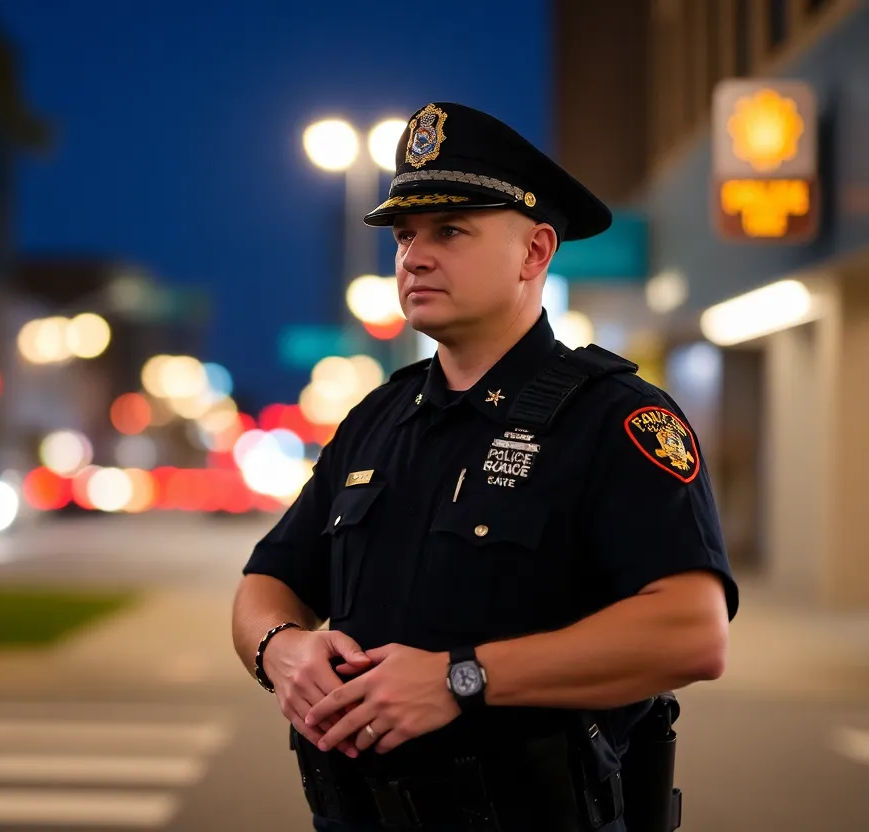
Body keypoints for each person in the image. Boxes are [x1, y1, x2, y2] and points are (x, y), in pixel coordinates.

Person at [230, 102, 739, 832]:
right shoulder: (378, 419)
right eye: (405, 236)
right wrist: (282, 650)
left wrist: (459, 679)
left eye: (450, 231)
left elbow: (694, 633)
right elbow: (267, 582)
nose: (413, 257)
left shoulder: (614, 418)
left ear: (535, 252)